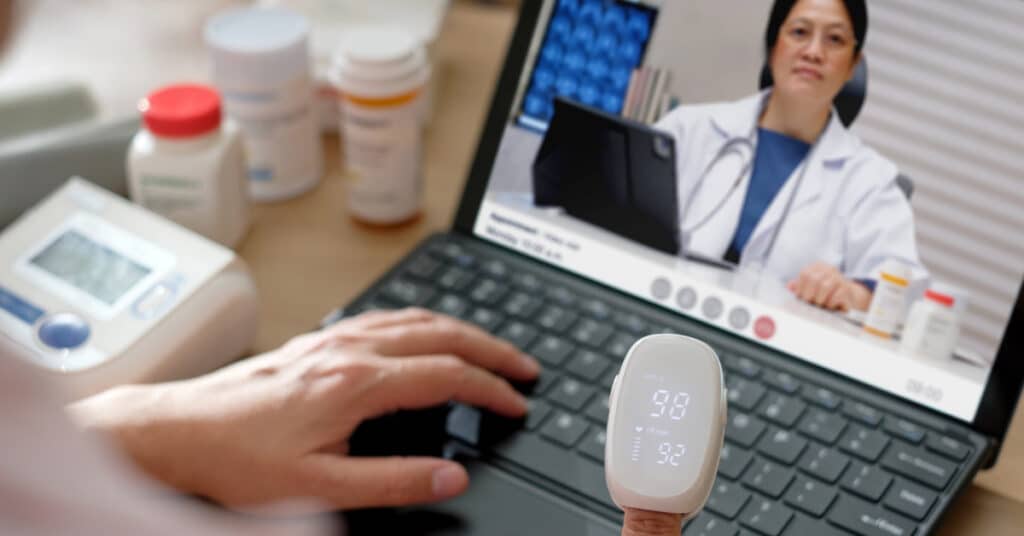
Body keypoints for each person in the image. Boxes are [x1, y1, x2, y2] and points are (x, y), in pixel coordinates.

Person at [656, 0, 928, 312]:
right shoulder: (688, 129)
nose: (813, 52)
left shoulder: (872, 182)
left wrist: (851, 293)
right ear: (773, 47)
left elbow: (901, 288)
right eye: (800, 32)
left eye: (835, 40)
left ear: (853, 65)